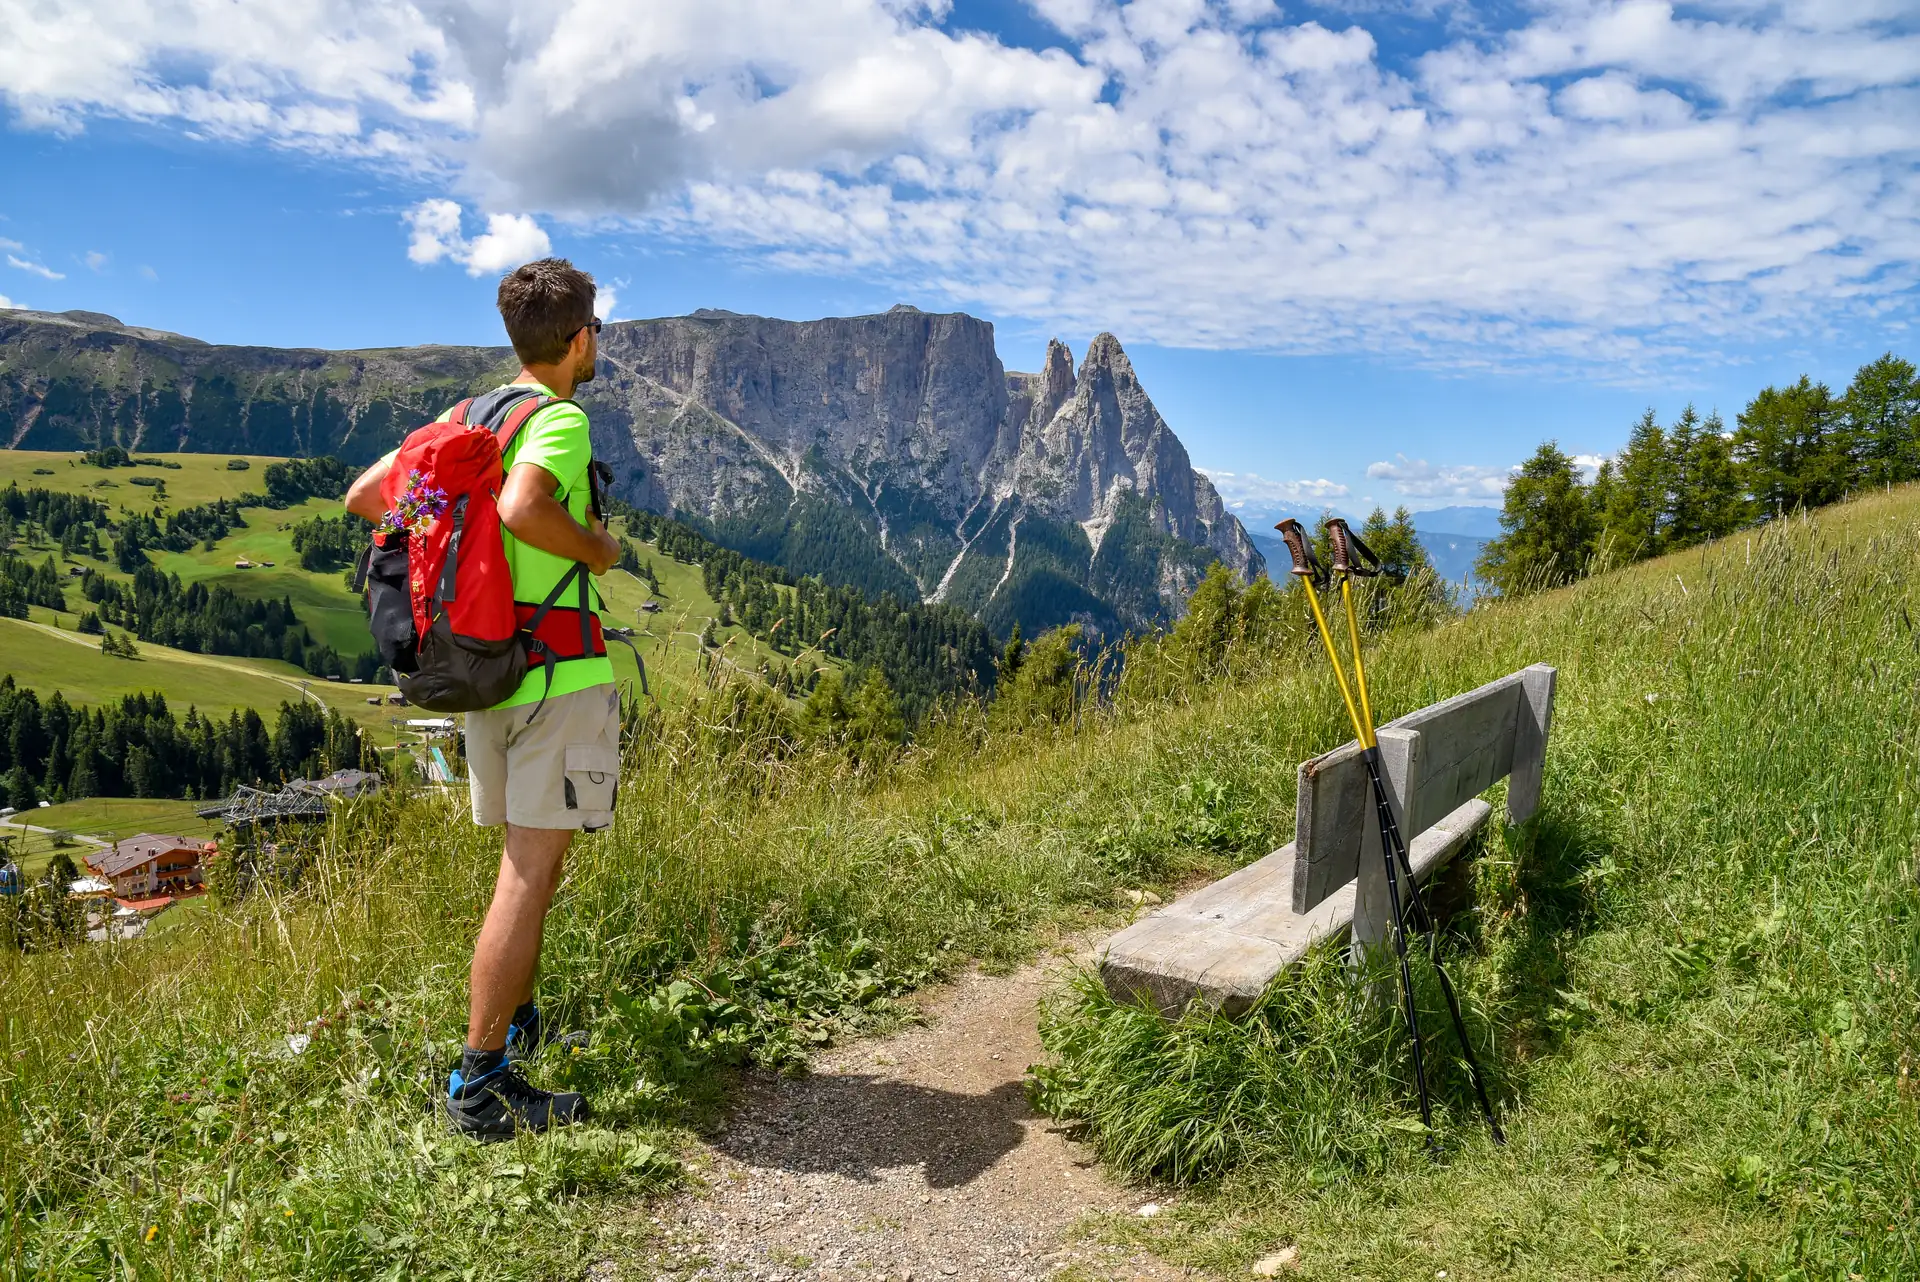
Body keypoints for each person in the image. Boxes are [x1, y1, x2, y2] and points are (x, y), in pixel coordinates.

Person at [345, 258, 622, 1139]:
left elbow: (363, 496)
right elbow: (520, 509)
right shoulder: (559, 418)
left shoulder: (462, 418)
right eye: (595, 336)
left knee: (523, 867)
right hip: (556, 676)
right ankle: (481, 1079)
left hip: (482, 673)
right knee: (528, 874)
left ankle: (515, 1028)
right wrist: (594, 550)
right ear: (578, 340)